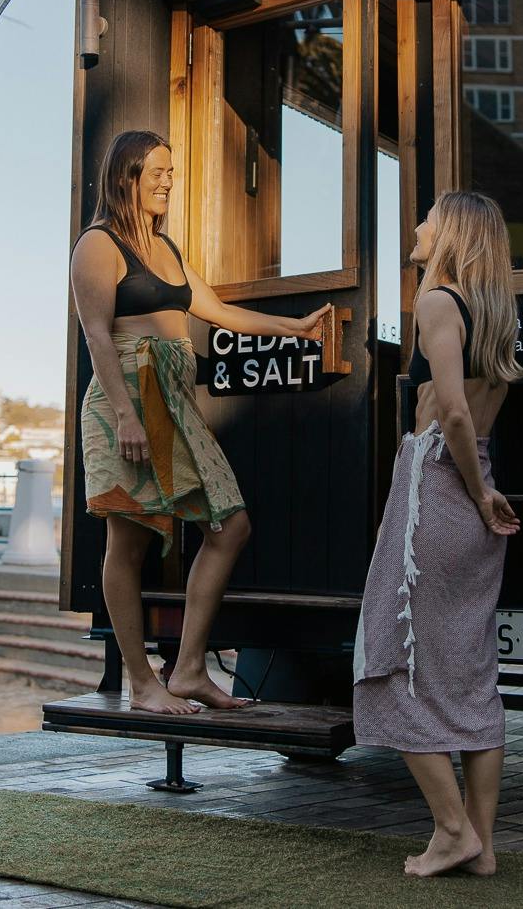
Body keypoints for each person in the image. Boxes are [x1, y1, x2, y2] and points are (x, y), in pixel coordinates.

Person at [71, 129, 330, 715]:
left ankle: (187, 669)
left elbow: (217, 312)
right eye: (158, 171)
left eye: (171, 171)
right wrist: (123, 414)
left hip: (175, 402)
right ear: (127, 175)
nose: (168, 181)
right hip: (128, 400)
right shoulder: (98, 244)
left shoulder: (167, 249)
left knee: (230, 524)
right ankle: (141, 682)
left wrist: (294, 328)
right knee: (128, 539)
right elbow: (95, 334)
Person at [353, 190, 523, 877]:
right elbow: (474, 414)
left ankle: (452, 829)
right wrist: (483, 487)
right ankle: (479, 844)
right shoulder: (496, 313)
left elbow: (451, 410)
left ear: (450, 232)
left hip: (442, 487)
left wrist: (476, 493)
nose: (418, 227)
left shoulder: (437, 302)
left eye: (427, 217)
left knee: (384, 657)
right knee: (470, 673)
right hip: (478, 482)